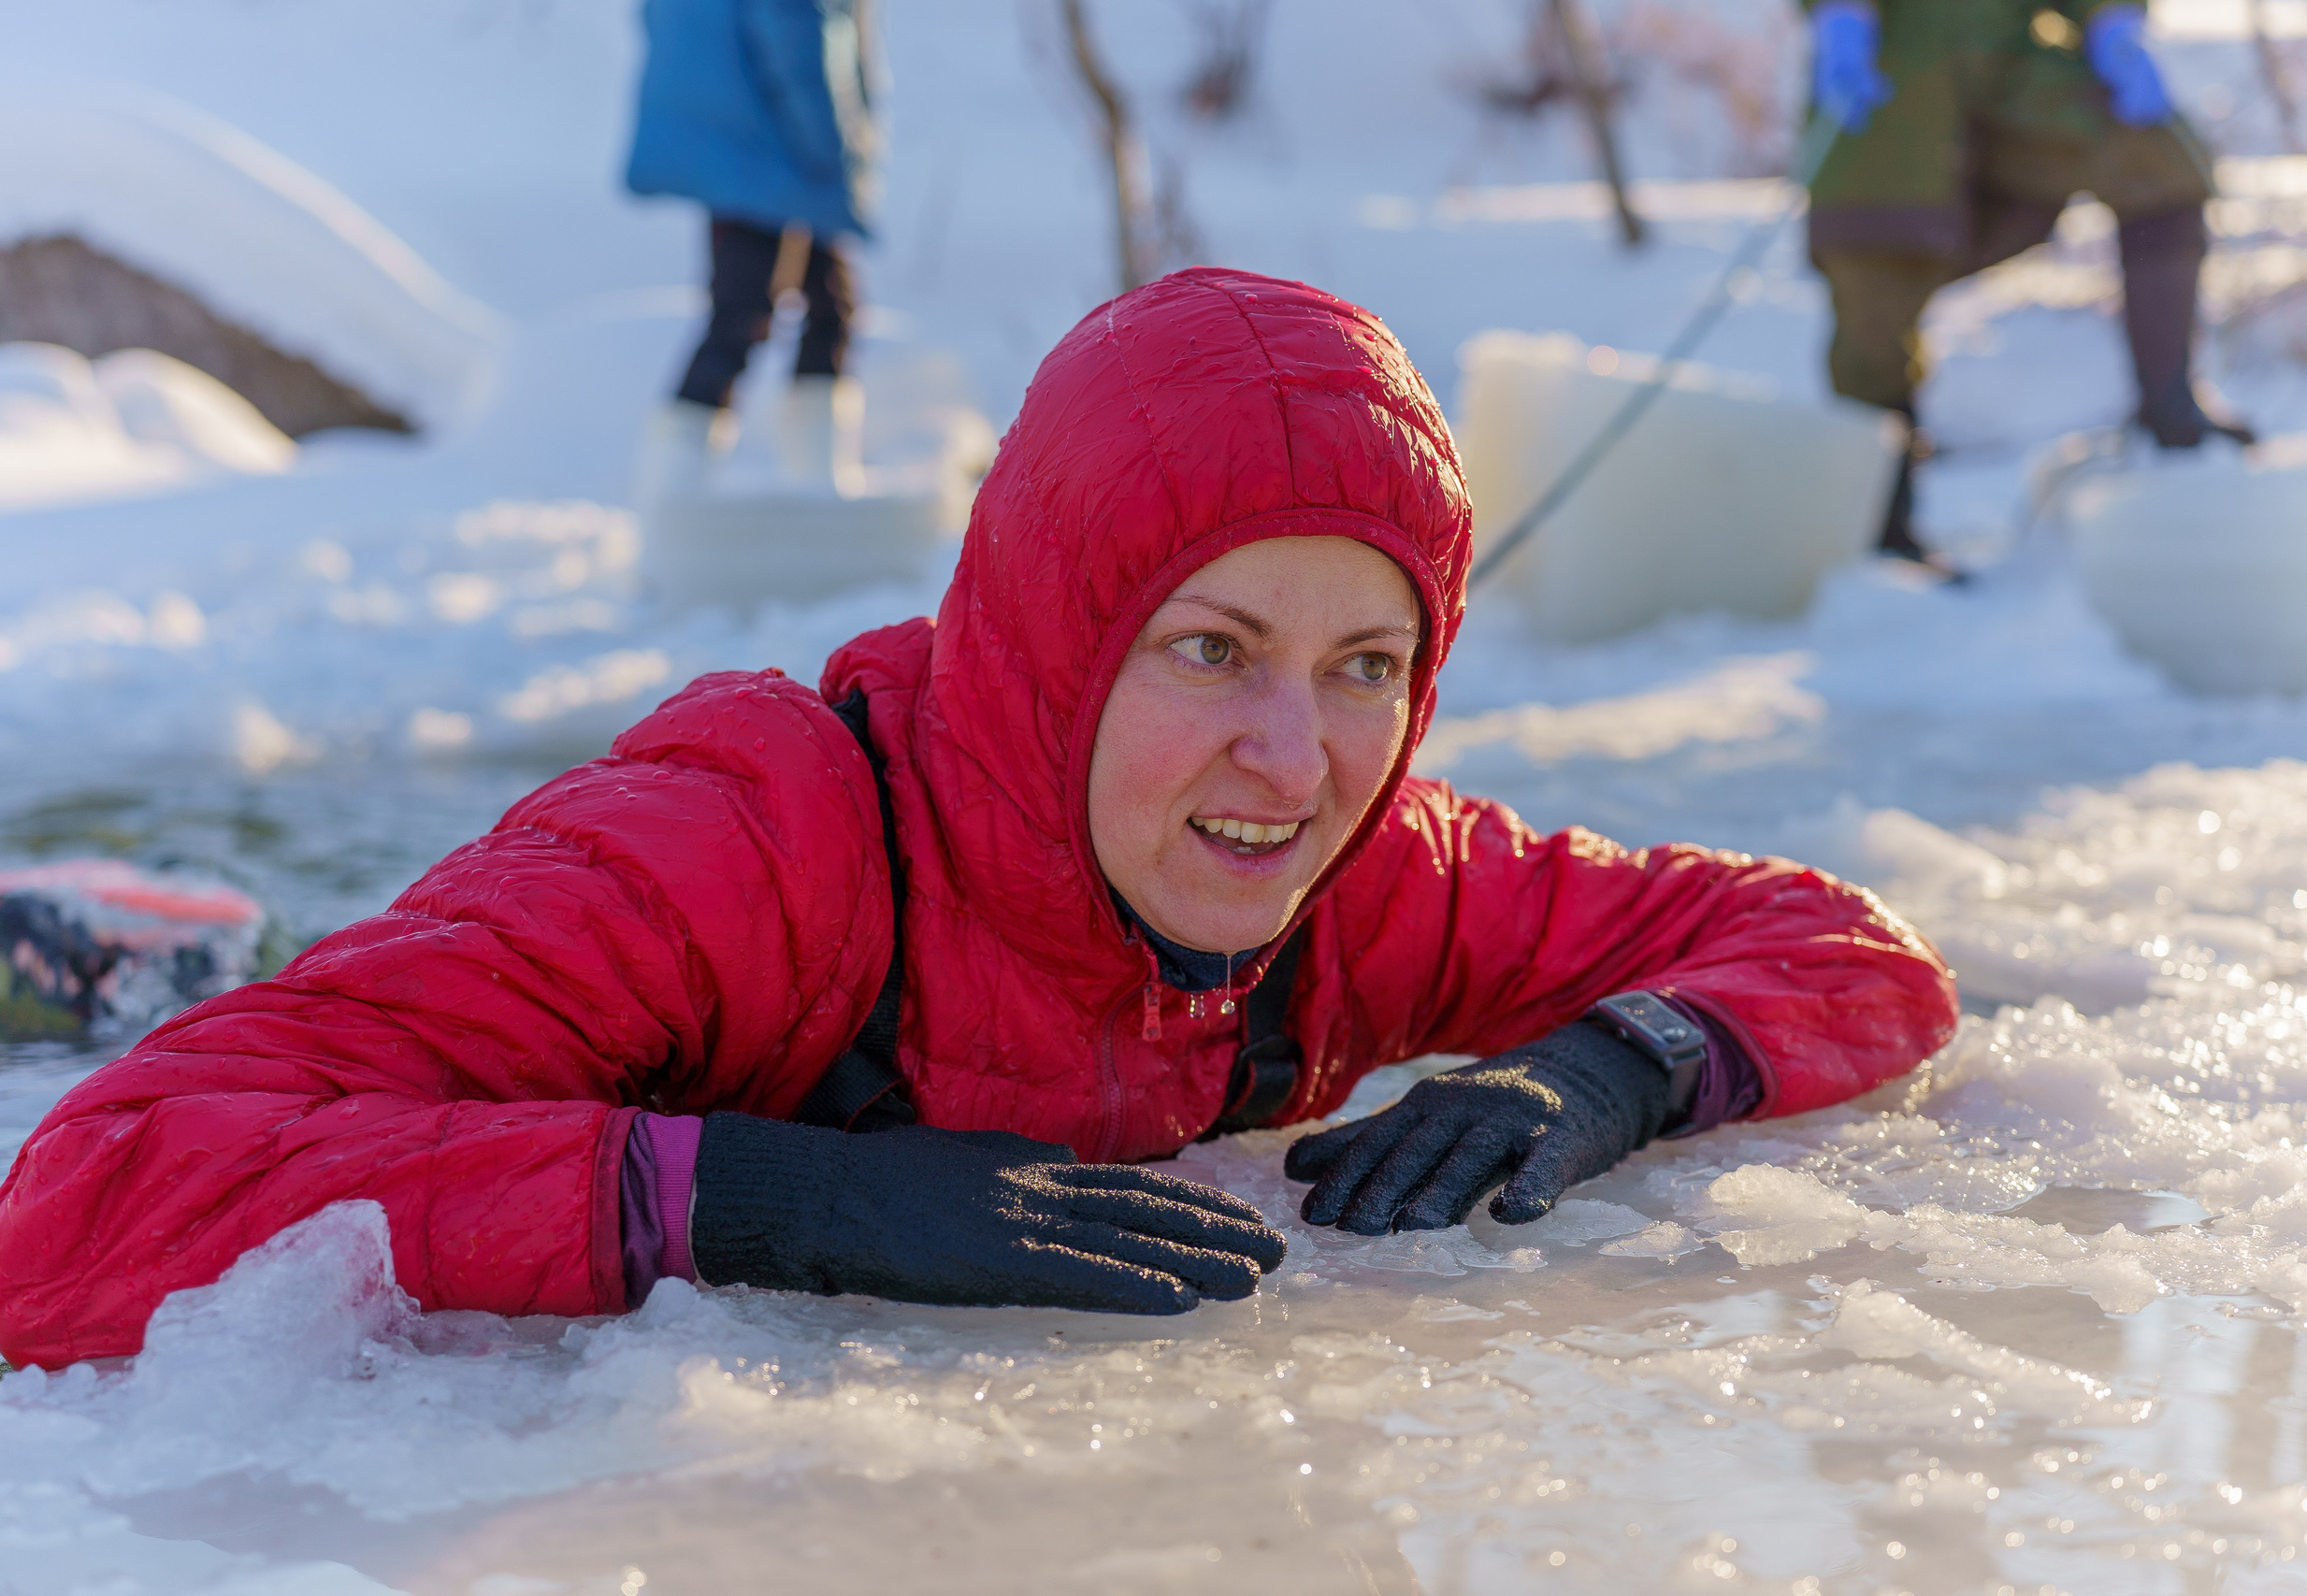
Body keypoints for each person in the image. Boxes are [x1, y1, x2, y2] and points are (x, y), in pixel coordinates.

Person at [0, 270, 1959, 1369]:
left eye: (1367, 665)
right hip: (481, 983)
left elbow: (1838, 946)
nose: (1295, 762)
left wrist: (1612, 1069)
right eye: (1210, 649)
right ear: (1048, 630)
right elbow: (85, 1201)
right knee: (216, 994)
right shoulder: (745, 843)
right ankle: (128, 936)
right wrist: (748, 1197)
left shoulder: (1363, 888)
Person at [1804, 0, 2253, 564]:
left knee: (2156, 160)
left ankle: (2170, 410)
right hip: (1889, 75)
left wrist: (2112, 17)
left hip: (2014, 70)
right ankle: (1883, 533)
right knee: (1874, 290)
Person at [625, 0, 880, 500]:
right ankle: (673, 501)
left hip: (734, 139)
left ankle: (816, 489)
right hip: (775, 149)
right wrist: (836, 154)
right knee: (750, 316)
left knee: (820, 307)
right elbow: (799, 43)